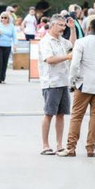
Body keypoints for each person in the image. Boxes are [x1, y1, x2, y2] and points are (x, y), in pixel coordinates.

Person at [58, 18, 95, 158]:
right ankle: (90, 148)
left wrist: (72, 82)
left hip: (84, 85)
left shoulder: (80, 42)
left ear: (89, 28)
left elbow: (75, 64)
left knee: (76, 116)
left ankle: (71, 148)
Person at [38, 14, 77, 155]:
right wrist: (67, 57)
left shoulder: (61, 40)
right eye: (60, 25)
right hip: (51, 82)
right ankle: (45, 145)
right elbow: (50, 59)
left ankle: (59, 145)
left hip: (63, 81)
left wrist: (72, 30)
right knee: (49, 113)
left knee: (61, 114)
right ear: (52, 25)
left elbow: (72, 45)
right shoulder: (45, 42)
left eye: (64, 25)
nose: (62, 28)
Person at [0, 11, 17, 84]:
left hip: (7, 46)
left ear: (8, 19)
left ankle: (2, 78)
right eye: (2, 17)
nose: (3, 19)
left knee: (5, 62)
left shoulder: (11, 26)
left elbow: (14, 36)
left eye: (5, 18)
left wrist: (15, 45)